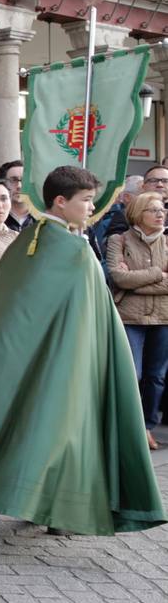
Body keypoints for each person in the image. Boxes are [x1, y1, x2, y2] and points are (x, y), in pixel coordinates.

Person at [0, 166, 167, 536]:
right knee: (60, 432)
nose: (92, 208)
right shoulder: (67, 247)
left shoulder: (37, 238)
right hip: (64, 357)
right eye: (86, 200)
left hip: (53, 354)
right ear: (60, 201)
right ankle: (57, 510)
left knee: (44, 430)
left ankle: (42, 504)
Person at [106, 192, 168, 451]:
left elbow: (130, 281)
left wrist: (136, 281)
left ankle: (147, 427)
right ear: (137, 213)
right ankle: (128, 427)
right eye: (153, 210)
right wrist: (158, 274)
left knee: (156, 377)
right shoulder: (118, 240)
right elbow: (119, 278)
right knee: (133, 374)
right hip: (130, 318)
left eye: (162, 209)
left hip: (163, 317)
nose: (160, 214)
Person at [0, 160, 34, 232]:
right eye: (13, 180)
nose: (19, 186)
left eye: (24, 180)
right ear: (4, 183)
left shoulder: (43, 219)